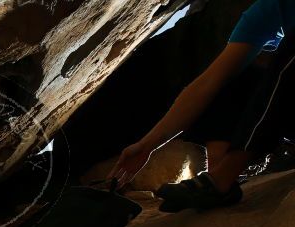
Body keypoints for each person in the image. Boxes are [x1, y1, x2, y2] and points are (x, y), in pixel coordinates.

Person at [110, 0, 295, 212]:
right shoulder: (271, 8)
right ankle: (219, 174)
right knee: (230, 77)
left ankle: (222, 177)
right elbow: (207, 83)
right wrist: (146, 146)